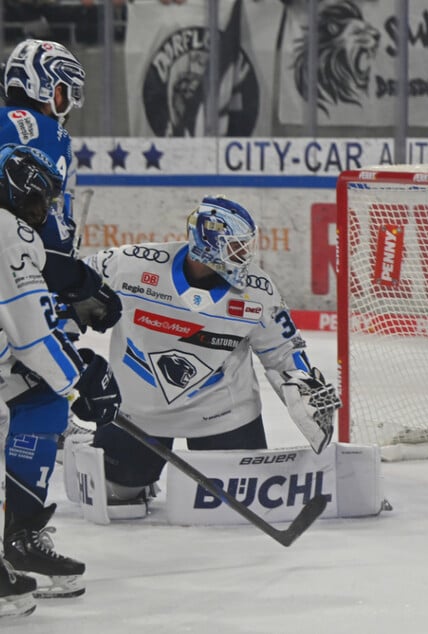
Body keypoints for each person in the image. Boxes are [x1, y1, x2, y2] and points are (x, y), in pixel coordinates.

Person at [83, 195, 340, 512]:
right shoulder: (132, 265)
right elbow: (70, 285)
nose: (243, 255)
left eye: (244, 246)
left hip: (223, 416)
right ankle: (103, 455)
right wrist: (68, 341)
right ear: (208, 243)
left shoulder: (258, 290)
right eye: (235, 246)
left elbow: (284, 353)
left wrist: (306, 394)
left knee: (238, 505)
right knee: (114, 495)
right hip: (138, 414)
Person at [0, 38, 122, 598]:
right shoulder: (30, 128)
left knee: (37, 397)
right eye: (65, 88)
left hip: (24, 282)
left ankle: (20, 540)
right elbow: (33, 242)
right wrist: (71, 281)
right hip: (19, 284)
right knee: (38, 391)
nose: (68, 102)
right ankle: (19, 540)